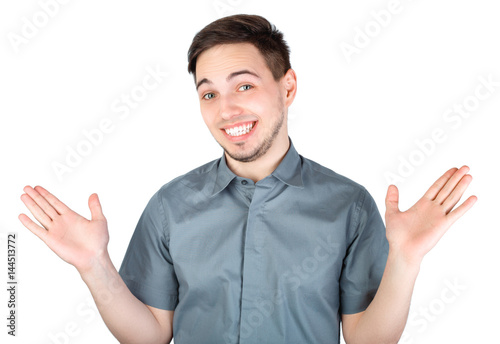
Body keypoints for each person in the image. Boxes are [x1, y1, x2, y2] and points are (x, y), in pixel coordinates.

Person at [18, 14, 476, 344]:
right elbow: (151, 335)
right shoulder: (170, 206)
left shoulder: (349, 206)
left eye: (244, 85)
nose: (226, 110)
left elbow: (366, 340)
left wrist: (407, 260)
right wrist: (93, 264)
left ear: (288, 87)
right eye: (209, 93)